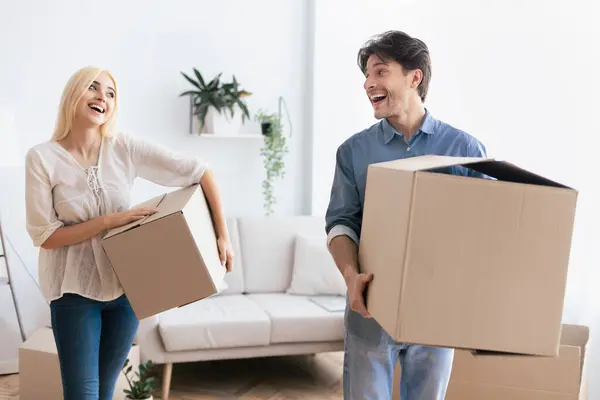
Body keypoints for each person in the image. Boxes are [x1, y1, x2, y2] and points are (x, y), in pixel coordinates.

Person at [24, 66, 233, 400]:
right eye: (93, 88)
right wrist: (111, 221)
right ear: (73, 94)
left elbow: (200, 171)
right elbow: (45, 236)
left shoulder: (123, 147)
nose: (101, 98)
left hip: (127, 291)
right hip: (74, 293)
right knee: (83, 394)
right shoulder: (42, 158)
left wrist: (222, 236)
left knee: (105, 391)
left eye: (110, 93)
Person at [325, 30, 488, 399]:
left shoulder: (464, 149)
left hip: (437, 311)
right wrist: (351, 275)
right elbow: (340, 224)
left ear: (414, 77)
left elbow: (485, 229)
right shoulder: (353, 151)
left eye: (380, 72)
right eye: (366, 75)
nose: (368, 83)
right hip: (371, 309)